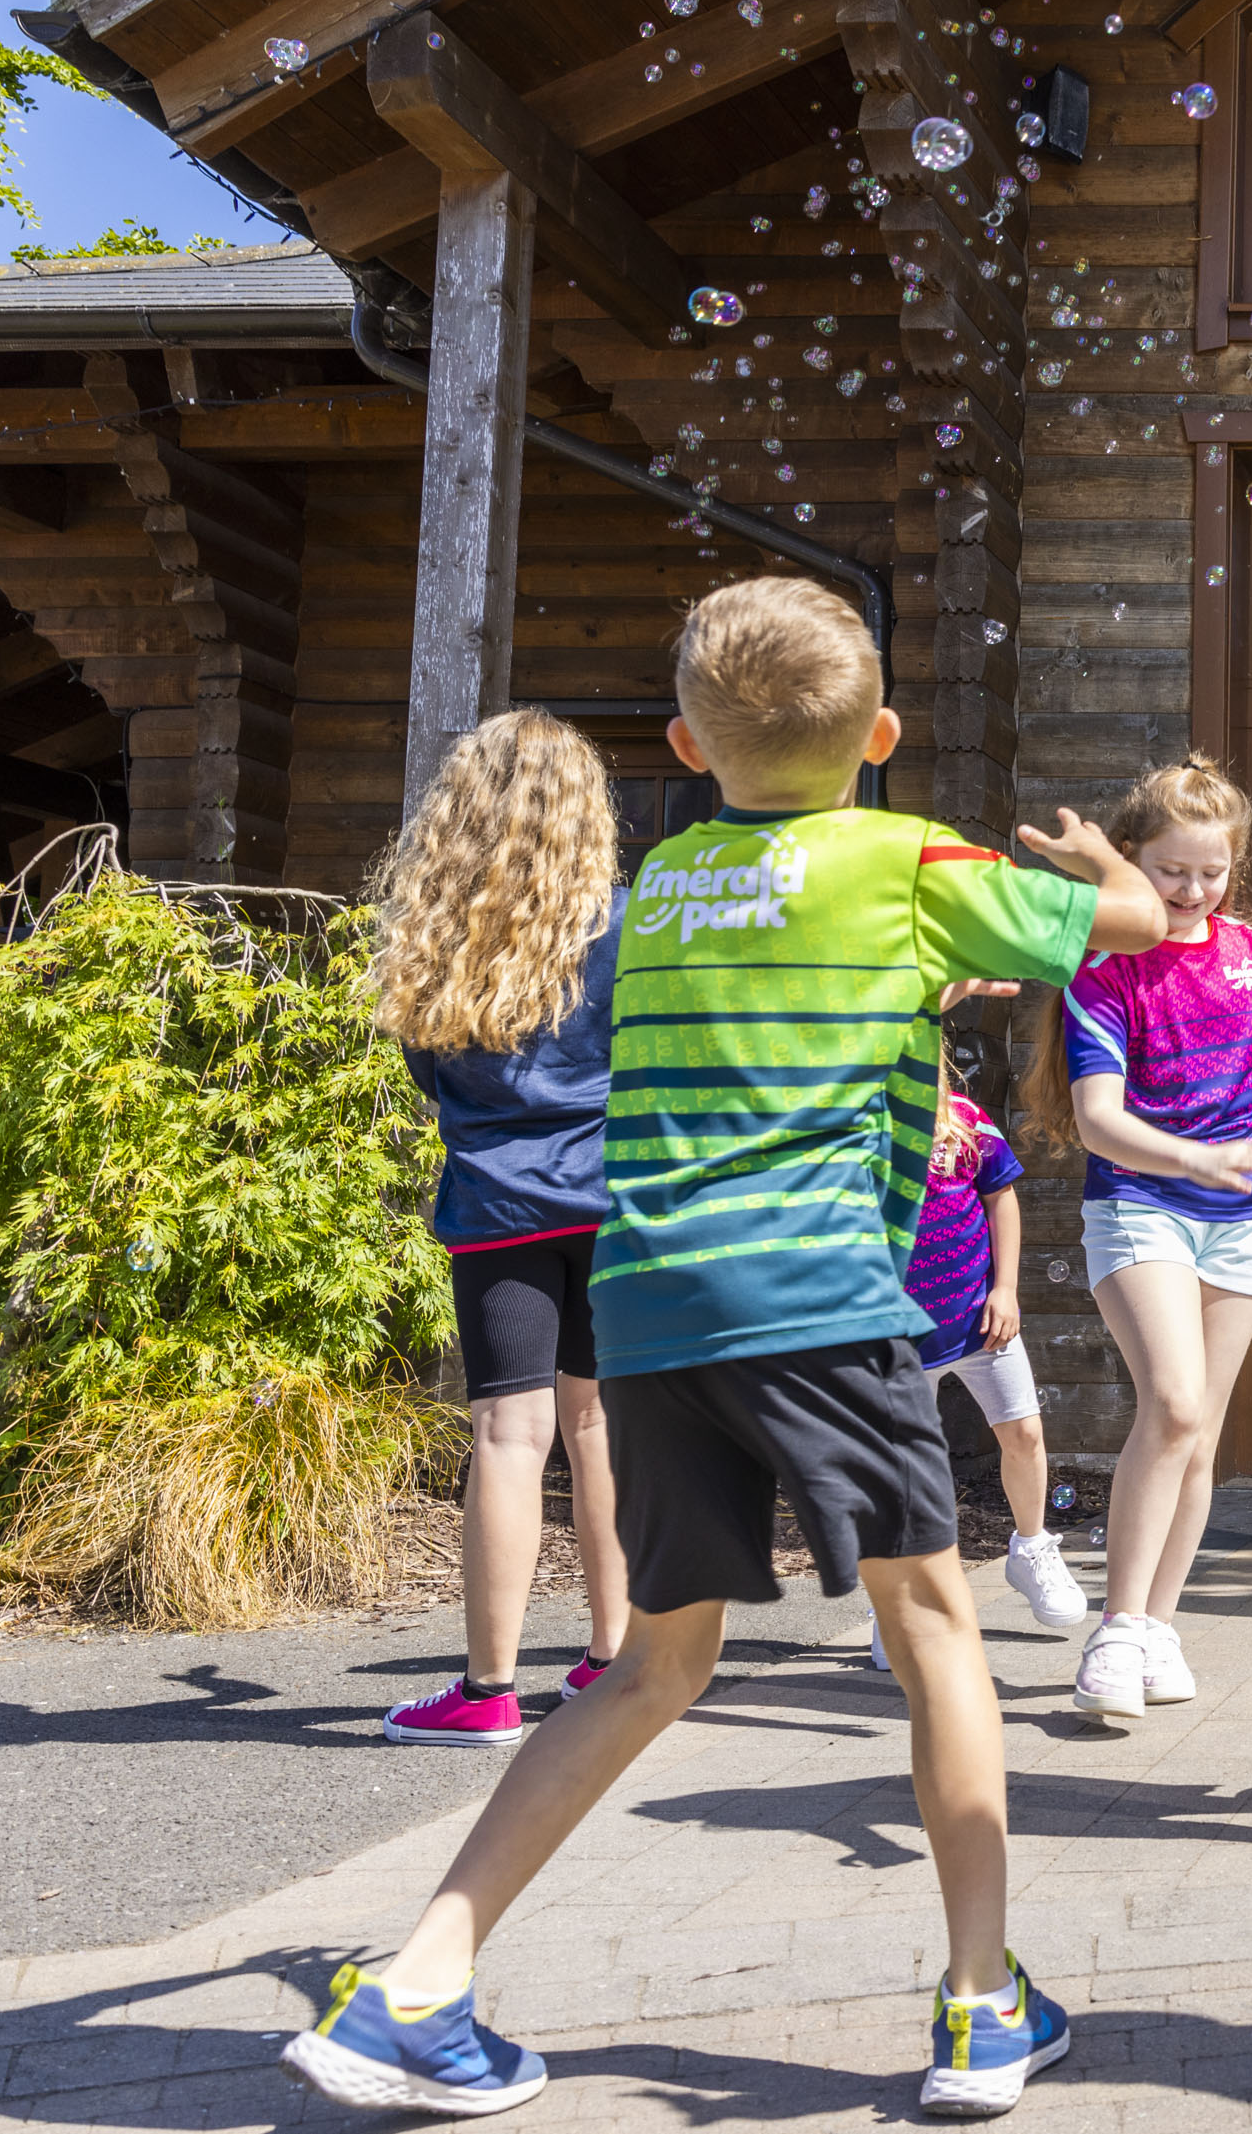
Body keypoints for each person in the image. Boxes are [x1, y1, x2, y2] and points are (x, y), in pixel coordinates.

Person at [283, 577, 1167, 2123]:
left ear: (687, 745)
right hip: (821, 1306)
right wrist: (1097, 867)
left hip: (653, 1315)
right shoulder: (908, 860)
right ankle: (980, 2003)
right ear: (881, 735)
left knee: (650, 1664)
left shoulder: (671, 882)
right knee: (938, 1643)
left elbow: (782, 994)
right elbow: (1140, 928)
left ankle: (419, 1980)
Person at [363, 711, 634, 1748]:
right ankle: (613, 1659)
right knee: (600, 1427)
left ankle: (487, 1689)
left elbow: (428, 1073)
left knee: (507, 1436)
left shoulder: (439, 933)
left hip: (498, 1206)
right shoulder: (633, 923)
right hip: (617, 1204)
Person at [1014, 756, 1252, 1721]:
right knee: (1171, 1405)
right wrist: (1194, 1160)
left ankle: (1160, 1625)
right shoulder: (1105, 968)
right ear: (1130, 860)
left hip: (1246, 1217)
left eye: (1212, 872)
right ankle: (1117, 1629)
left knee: (1200, 1434)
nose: (1192, 889)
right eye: (1172, 869)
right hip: (1144, 1204)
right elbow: (1097, 1121)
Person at [865, 1057, 1088, 1665]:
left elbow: (1002, 1199)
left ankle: (1033, 1548)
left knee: (1023, 1432)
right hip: (894, 1339)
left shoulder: (963, 1123)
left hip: (980, 1322)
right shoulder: (849, 1130)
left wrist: (1006, 1288)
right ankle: (896, 1598)